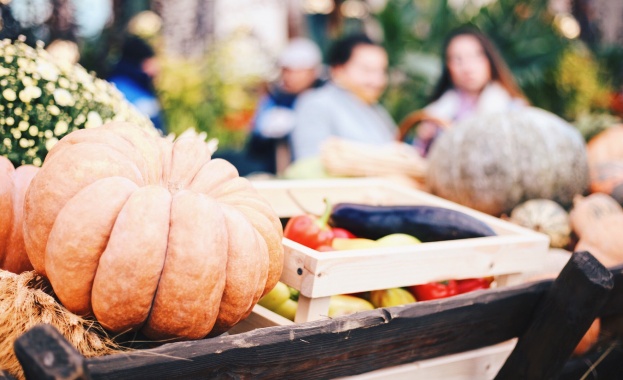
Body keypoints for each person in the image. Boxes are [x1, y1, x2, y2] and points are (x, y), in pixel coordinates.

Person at [414, 27, 527, 156]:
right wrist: (424, 139)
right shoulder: (437, 112)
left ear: (489, 59)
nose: (467, 68)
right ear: (448, 67)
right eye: (457, 60)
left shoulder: (513, 109)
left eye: (475, 56)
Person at [289, 34, 396, 161]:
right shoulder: (316, 104)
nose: (378, 80)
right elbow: (309, 163)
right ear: (338, 70)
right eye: (367, 70)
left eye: (382, 71)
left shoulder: (377, 111)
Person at [243, 37, 324, 175]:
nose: (290, 77)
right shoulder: (275, 98)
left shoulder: (326, 95)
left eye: (297, 71)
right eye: (286, 71)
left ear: (313, 71)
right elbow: (253, 144)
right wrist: (264, 132)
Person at [108, 35, 165, 134]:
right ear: (142, 63)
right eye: (151, 63)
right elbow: (158, 132)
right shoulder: (142, 96)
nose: (157, 70)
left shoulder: (113, 82)